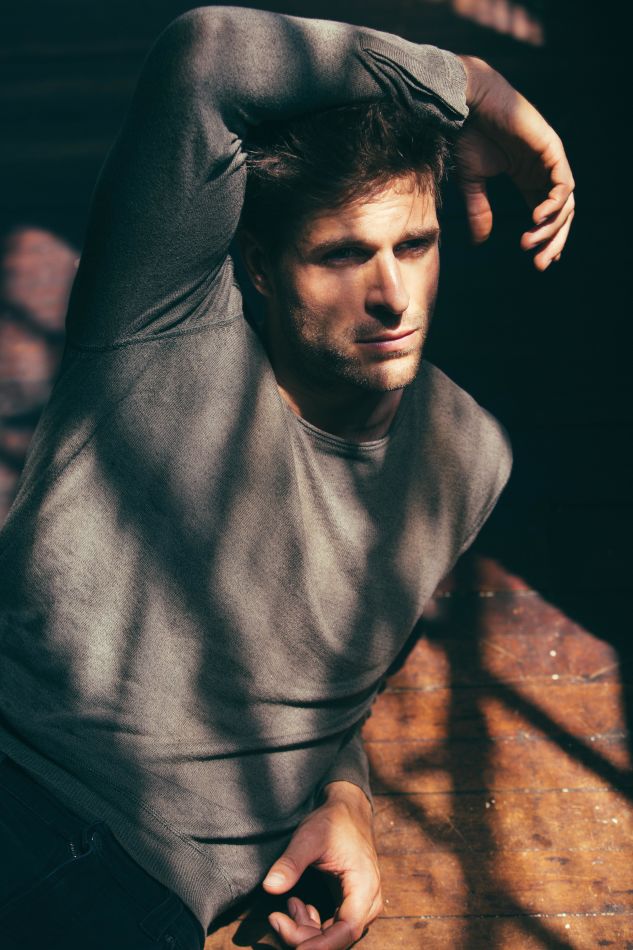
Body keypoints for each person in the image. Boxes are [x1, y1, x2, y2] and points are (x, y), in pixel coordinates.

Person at [0, 6, 574, 949]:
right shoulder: (162, 316)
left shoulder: (467, 456)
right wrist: (467, 83)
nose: (391, 295)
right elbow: (210, 53)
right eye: (343, 255)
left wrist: (344, 796)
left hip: (145, 891)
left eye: (413, 246)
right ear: (262, 268)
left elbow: (336, 666)